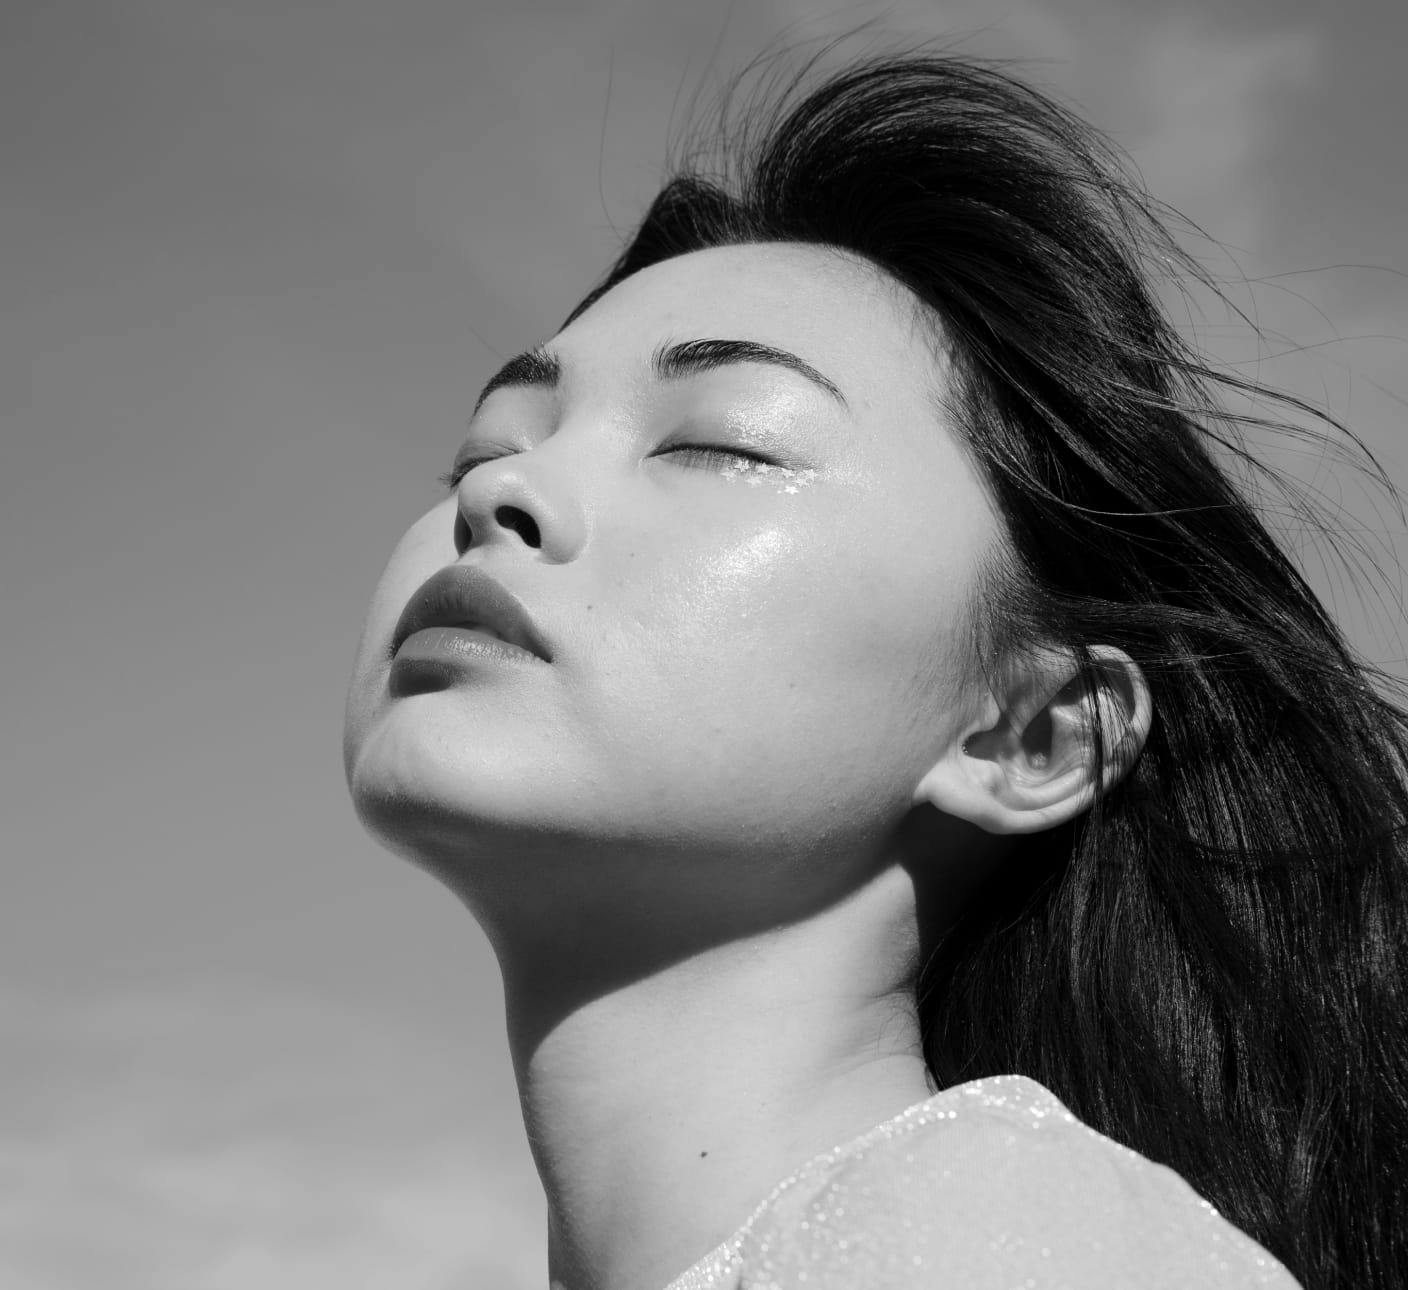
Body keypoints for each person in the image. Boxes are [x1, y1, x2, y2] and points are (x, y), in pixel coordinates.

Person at [341, 43, 1408, 1290]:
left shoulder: (998, 1240)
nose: (502, 494)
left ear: (1035, 735)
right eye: (481, 450)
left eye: (720, 443)